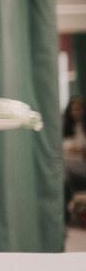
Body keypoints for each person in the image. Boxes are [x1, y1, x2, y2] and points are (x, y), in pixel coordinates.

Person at [62, 96, 86, 224]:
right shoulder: (65, 128)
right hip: (68, 165)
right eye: (74, 109)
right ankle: (67, 211)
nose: (77, 112)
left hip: (82, 166)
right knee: (63, 173)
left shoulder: (83, 128)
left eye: (79, 109)